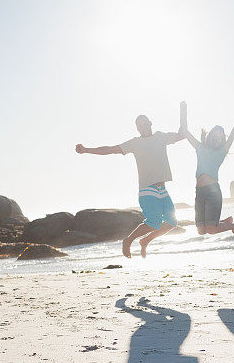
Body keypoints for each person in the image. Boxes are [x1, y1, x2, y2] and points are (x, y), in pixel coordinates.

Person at [75, 103, 186, 258]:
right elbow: (110, 149)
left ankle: (145, 241)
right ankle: (128, 240)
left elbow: (182, 135)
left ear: (150, 123)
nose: (143, 126)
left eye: (145, 123)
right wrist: (87, 150)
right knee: (153, 222)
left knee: (172, 222)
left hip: (163, 189)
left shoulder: (161, 137)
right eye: (139, 125)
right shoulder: (135, 143)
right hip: (147, 189)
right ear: (137, 129)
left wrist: (183, 113)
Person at [182, 102, 234, 240]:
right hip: (199, 192)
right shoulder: (200, 147)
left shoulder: (222, 151)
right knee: (201, 231)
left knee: (211, 230)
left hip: (213, 192)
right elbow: (184, 130)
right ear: (210, 135)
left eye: (220, 137)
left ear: (222, 140)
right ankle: (226, 222)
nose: (216, 138)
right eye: (214, 135)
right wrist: (183, 110)